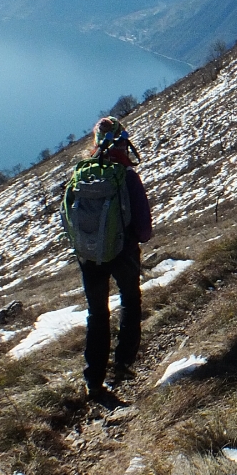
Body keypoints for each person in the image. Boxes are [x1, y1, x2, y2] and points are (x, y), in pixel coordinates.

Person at [69, 116, 152, 407]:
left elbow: (69, 217)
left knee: (97, 314)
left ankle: (93, 379)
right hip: (122, 252)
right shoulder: (125, 174)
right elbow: (144, 229)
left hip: (88, 256)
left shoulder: (82, 173)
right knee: (130, 301)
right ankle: (123, 363)